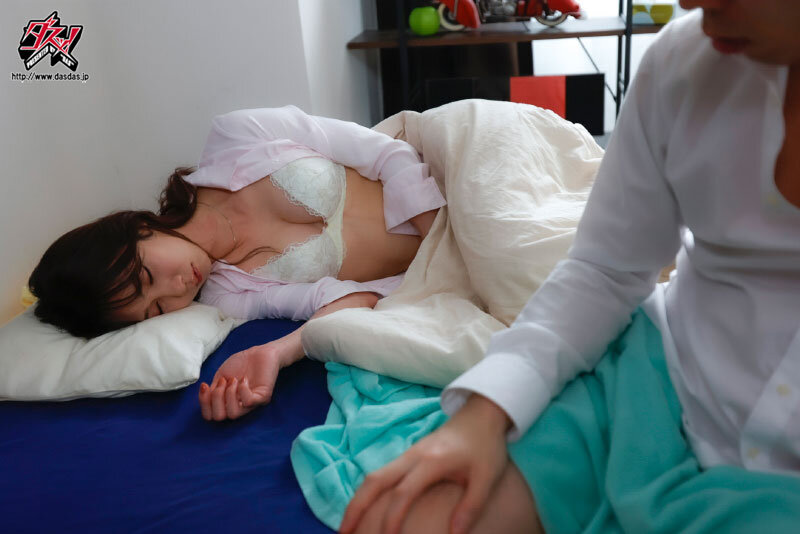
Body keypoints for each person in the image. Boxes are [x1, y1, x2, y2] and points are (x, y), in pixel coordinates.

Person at [338, 1, 800, 533]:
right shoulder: (681, 60)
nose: (691, 3)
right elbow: (605, 267)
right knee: (407, 517)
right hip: (655, 384)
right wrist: (487, 410)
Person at [28, 106, 445, 421]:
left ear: (138, 228)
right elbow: (353, 299)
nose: (175, 289)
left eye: (147, 276)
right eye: (155, 309)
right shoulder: (227, 296)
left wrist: (440, 236)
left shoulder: (236, 136)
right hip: (444, 267)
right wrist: (276, 353)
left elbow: (384, 152)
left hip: (443, 172)